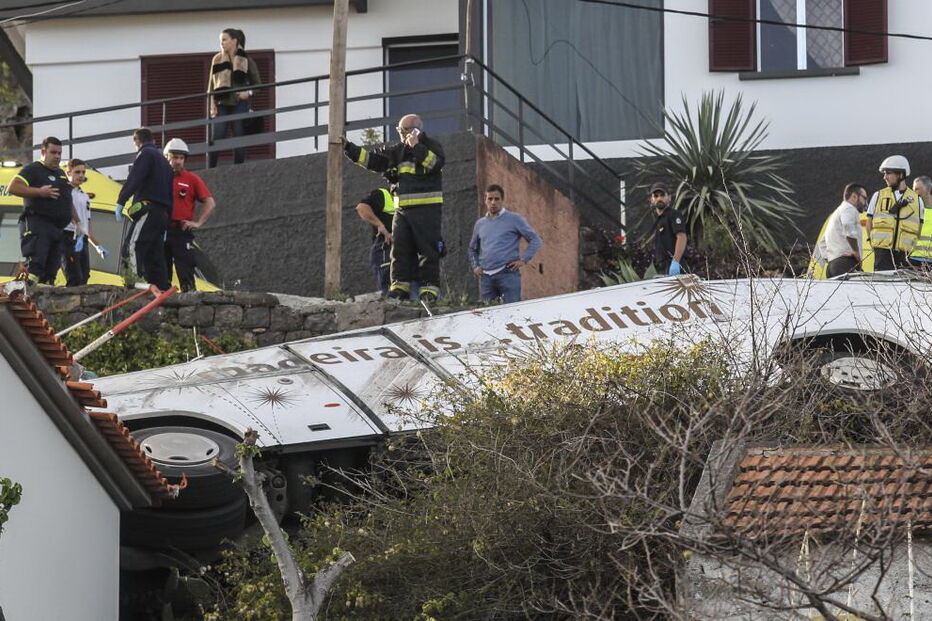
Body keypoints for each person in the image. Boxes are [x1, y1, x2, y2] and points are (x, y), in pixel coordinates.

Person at [344, 114, 445, 304]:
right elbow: (373, 160)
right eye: (399, 130)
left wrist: (416, 146)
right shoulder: (396, 151)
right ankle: (399, 287)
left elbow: (434, 164)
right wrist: (349, 148)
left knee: (427, 250)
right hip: (403, 211)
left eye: (404, 130)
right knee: (399, 250)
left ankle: (429, 289)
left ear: (416, 130)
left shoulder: (431, 146)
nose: (401, 133)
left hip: (426, 209)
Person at [8, 136, 76, 284]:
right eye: (53, 152)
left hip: (57, 229)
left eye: (59, 153)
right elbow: (13, 187)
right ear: (43, 152)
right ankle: (27, 291)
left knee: (51, 272)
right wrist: (40, 192)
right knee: (36, 266)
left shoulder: (60, 173)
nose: (57, 156)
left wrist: (75, 218)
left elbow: (66, 198)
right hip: (38, 223)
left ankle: (45, 292)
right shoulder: (33, 169)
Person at [116, 127, 174, 291]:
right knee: (155, 254)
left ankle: (133, 283)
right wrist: (168, 220)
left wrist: (121, 201)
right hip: (162, 214)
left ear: (137, 141)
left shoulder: (145, 154)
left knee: (133, 245)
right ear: (153, 140)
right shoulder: (165, 162)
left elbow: (135, 178)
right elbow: (171, 193)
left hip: (149, 209)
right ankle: (161, 287)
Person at [468, 184, 542, 304]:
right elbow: (472, 248)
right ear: (485, 200)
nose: (493, 202)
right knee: (488, 313)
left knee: (513, 311)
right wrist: (475, 266)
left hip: (507, 274)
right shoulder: (480, 224)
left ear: (502, 200)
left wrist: (524, 260)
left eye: (496, 199)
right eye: (490, 199)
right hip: (486, 278)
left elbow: (535, 239)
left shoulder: (514, 219)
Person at [163, 138, 216, 292]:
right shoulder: (159, 178)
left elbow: (210, 202)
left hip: (181, 230)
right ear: (167, 157)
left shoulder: (192, 179)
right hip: (161, 230)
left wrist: (198, 223)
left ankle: (189, 299)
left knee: (185, 269)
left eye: (181, 158)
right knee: (161, 272)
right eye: (174, 157)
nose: (178, 161)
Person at [207, 28, 261, 168]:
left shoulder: (246, 59)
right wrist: (212, 104)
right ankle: (211, 169)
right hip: (221, 103)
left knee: (239, 136)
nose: (222, 43)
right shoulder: (217, 59)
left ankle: (239, 168)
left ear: (234, 41)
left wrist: (248, 93)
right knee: (216, 136)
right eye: (220, 40)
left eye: (224, 40)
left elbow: (258, 85)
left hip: (239, 103)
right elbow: (211, 86)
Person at [866, 155, 923, 271]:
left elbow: (920, 230)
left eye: (888, 173)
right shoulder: (878, 196)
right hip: (882, 255)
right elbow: (869, 223)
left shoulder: (917, 200)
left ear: (900, 175)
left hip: (905, 257)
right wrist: (874, 245)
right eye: (884, 173)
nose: (884, 177)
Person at [62, 159, 108, 286]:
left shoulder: (84, 196)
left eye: (83, 172)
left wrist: (97, 246)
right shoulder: (65, 192)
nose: (81, 175)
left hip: (82, 238)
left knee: (85, 274)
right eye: (77, 172)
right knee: (74, 277)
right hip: (67, 236)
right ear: (68, 173)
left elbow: (87, 222)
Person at [355, 183, 396, 296]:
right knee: (391, 292)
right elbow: (362, 208)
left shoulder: (407, 199)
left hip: (405, 251)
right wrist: (380, 225)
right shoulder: (383, 194)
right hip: (386, 248)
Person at [819, 183, 867, 278]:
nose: (865, 202)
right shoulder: (849, 209)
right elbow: (848, 227)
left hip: (832, 267)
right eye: (864, 198)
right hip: (845, 263)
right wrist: (856, 252)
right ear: (854, 196)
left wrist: (832, 259)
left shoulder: (836, 213)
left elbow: (822, 243)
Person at [649, 182, 688, 275]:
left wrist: (676, 261)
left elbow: (682, 237)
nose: (659, 198)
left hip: (674, 264)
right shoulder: (659, 219)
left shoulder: (674, 215)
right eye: (656, 196)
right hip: (663, 267)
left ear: (669, 197)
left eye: (662, 195)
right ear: (651, 200)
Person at [909, 175, 932, 265]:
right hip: (913, 259)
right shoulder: (911, 211)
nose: (915, 193)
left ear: (929, 189)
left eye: (917, 189)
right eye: (913, 190)